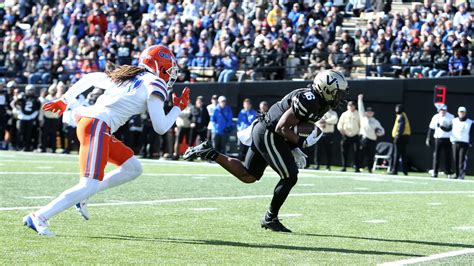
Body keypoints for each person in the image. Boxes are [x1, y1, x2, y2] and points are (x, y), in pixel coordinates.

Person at [23, 45, 190, 236]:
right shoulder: (155, 83)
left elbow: (91, 77)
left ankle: (83, 197)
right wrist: (178, 108)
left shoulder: (128, 75)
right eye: (168, 69)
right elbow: (160, 127)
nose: (170, 74)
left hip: (94, 124)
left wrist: (65, 99)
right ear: (158, 65)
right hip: (97, 126)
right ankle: (39, 216)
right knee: (88, 184)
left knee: (133, 168)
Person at [183, 69, 348, 233]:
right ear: (325, 89)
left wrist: (293, 146)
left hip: (270, 132)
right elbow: (282, 127)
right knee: (290, 176)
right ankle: (270, 218)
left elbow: (292, 125)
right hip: (269, 132)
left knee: (248, 176)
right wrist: (300, 142)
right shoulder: (308, 100)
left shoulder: (321, 103)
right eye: (337, 93)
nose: (339, 97)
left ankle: (210, 152)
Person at [357, 94, 385, 173]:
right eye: (368, 112)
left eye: (370, 112)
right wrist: (360, 100)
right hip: (364, 139)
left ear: (373, 113)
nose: (369, 113)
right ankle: (359, 168)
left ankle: (370, 169)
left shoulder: (376, 121)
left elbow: (382, 131)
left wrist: (379, 132)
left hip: (372, 140)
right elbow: (361, 109)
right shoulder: (363, 118)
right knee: (361, 154)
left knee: (371, 155)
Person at [426, 104, 454, 178]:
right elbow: (431, 128)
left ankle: (449, 172)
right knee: (436, 155)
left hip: (448, 139)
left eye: (444, 110)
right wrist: (428, 138)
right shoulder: (435, 117)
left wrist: (442, 127)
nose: (443, 111)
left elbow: (450, 128)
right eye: (441, 110)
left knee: (448, 156)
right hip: (438, 138)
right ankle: (435, 172)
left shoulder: (451, 117)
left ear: (446, 110)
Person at [11, 84, 41, 152]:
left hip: (31, 117)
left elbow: (38, 108)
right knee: (20, 133)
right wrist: (17, 110)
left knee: (28, 133)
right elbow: (13, 103)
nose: (30, 92)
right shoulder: (22, 96)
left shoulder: (36, 98)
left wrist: (33, 115)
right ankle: (19, 146)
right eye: (29, 90)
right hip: (23, 117)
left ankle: (27, 147)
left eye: (31, 90)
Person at [337, 101, 360, 172]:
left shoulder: (358, 114)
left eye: (352, 105)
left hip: (356, 135)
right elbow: (340, 124)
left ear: (354, 106)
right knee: (344, 151)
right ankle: (344, 167)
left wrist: (359, 133)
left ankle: (357, 167)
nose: (350, 107)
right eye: (349, 105)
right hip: (346, 135)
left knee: (357, 152)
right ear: (347, 106)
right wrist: (341, 130)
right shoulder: (344, 114)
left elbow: (361, 124)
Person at [451, 106, 473, 179]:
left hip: (464, 143)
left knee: (462, 159)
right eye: (460, 112)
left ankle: (461, 174)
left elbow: (472, 133)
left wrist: (471, 142)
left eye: (463, 112)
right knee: (455, 159)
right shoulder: (454, 120)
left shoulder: (470, 122)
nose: (461, 113)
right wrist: (442, 127)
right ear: (458, 113)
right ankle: (456, 174)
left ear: (465, 113)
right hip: (455, 142)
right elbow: (448, 129)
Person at [389, 104, 411, 175]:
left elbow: (401, 127)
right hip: (404, 137)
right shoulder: (403, 115)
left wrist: (398, 136)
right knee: (403, 154)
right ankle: (405, 171)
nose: (396, 110)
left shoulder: (401, 116)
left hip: (401, 137)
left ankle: (394, 170)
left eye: (398, 108)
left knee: (396, 154)